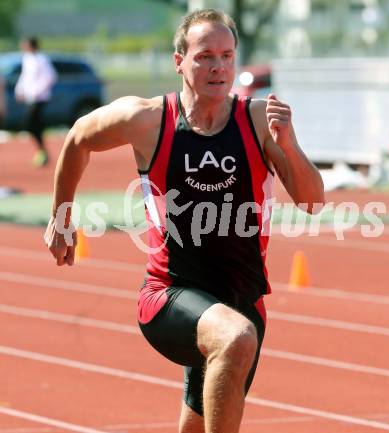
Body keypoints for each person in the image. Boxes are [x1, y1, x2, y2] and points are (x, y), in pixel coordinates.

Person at [44, 9, 324, 433]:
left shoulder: (259, 120)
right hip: (169, 296)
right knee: (234, 338)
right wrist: (61, 215)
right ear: (179, 62)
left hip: (242, 301)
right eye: (205, 56)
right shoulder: (147, 120)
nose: (218, 67)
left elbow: (312, 202)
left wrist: (288, 143)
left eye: (227, 56)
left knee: (207, 400)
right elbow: (79, 136)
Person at [15, 36, 57, 167]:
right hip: (30, 97)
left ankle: (42, 151)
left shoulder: (41, 59)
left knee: (30, 123)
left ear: (32, 45)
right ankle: (42, 152)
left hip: (40, 98)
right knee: (35, 125)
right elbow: (24, 77)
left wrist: (38, 91)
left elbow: (51, 77)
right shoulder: (27, 59)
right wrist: (19, 90)